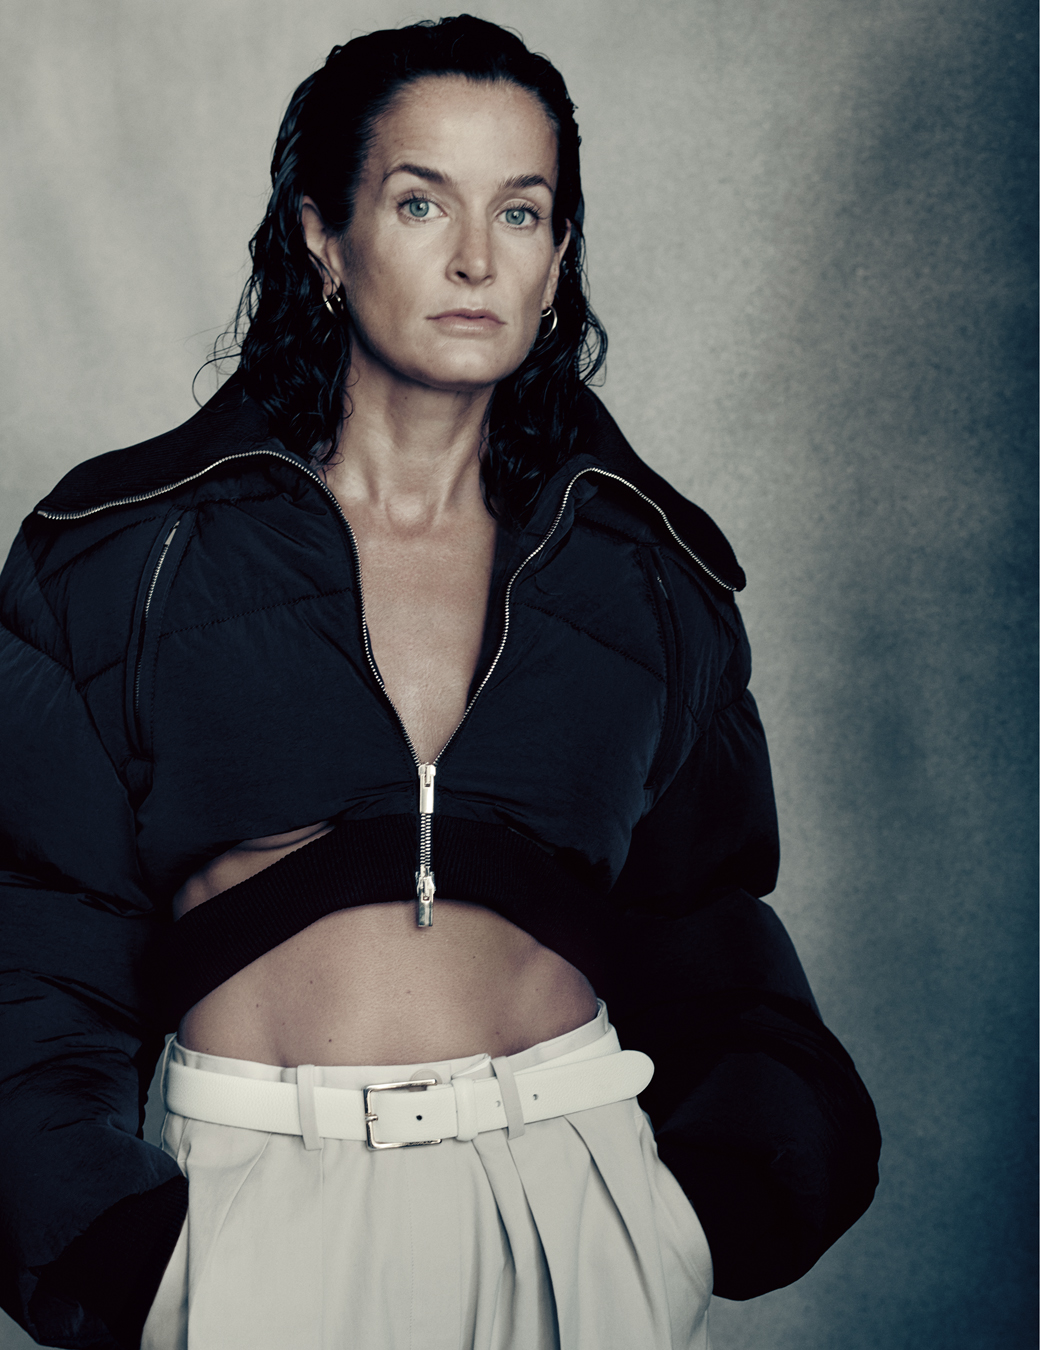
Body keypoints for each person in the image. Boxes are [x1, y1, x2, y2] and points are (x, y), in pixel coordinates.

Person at [0, 15, 880, 1350]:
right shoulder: (123, 550)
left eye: (521, 212)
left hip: (574, 1200)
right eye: (422, 202)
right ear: (322, 233)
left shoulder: (643, 569)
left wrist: (694, 1210)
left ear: (558, 251)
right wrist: (123, 1250)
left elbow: (707, 918)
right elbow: (40, 941)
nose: (476, 258)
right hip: (248, 1210)